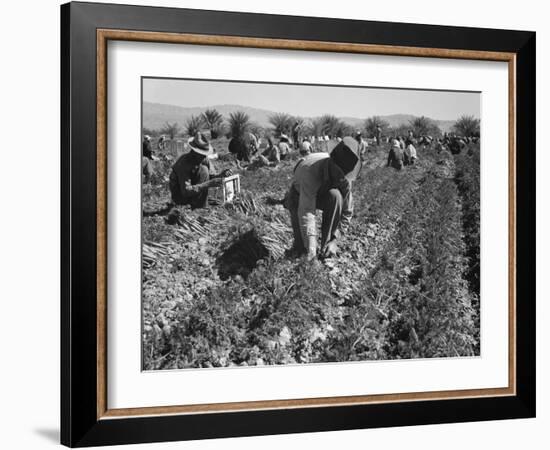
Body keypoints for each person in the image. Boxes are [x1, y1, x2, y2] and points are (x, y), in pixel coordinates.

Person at [285, 136, 362, 261]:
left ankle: (326, 246)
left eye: (344, 175)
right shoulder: (310, 172)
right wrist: (311, 249)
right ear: (331, 163)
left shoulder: (345, 177)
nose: (341, 178)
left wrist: (335, 240)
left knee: (335, 196)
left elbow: (347, 212)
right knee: (302, 249)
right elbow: (307, 212)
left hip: (323, 192)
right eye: (339, 173)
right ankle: (307, 251)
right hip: (299, 194)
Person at [169, 132, 231, 209]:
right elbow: (186, 191)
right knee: (203, 170)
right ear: (194, 152)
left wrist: (220, 175)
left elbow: (210, 176)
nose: (204, 156)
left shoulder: (203, 159)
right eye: (201, 154)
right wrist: (208, 184)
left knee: (204, 170)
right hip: (180, 197)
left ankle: (200, 202)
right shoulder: (184, 163)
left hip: (194, 193)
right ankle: (198, 205)